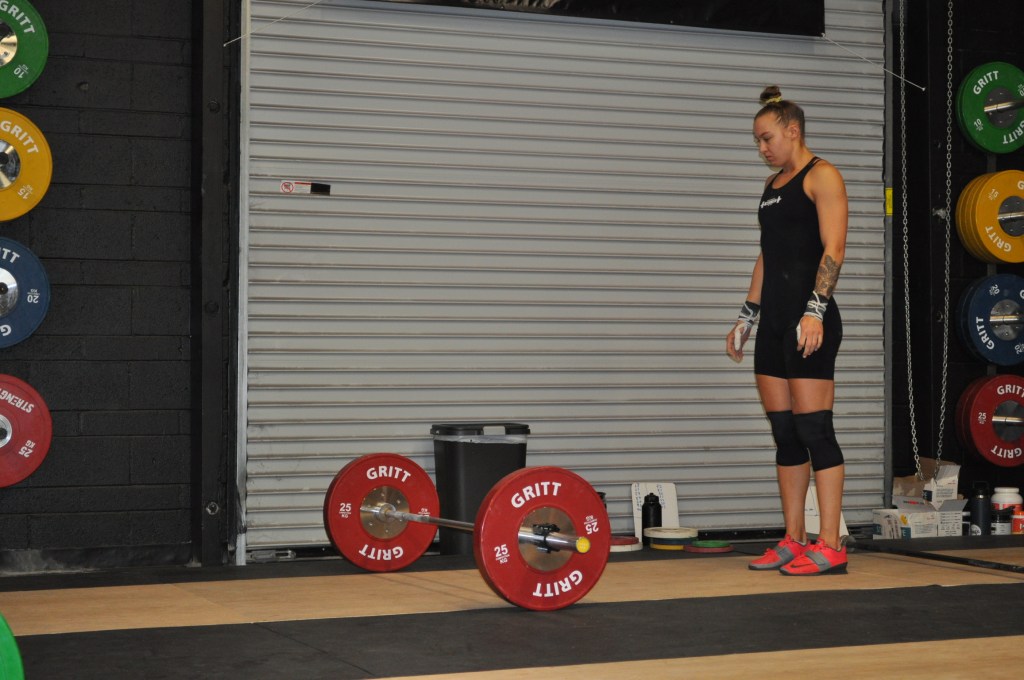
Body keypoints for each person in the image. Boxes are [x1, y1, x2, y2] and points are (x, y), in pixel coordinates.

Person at [726, 85, 849, 575]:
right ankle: (794, 539)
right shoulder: (773, 186)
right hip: (775, 322)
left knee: (815, 429)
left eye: (766, 138)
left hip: (808, 323)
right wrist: (747, 316)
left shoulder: (823, 176)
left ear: (792, 131)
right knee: (785, 433)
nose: (762, 149)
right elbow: (768, 253)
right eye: (757, 141)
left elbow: (834, 247)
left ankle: (831, 545)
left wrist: (815, 310)